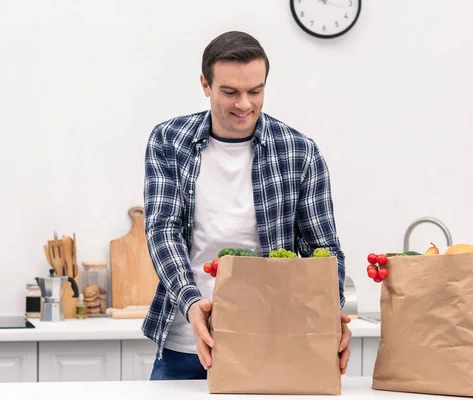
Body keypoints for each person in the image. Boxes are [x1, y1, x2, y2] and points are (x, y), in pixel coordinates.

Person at [142, 30, 351, 380]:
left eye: (255, 91)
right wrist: (192, 304)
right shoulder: (168, 141)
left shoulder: (299, 152)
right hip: (188, 342)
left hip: (274, 341)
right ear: (205, 85)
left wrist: (331, 312)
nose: (244, 104)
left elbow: (323, 249)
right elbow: (163, 230)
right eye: (230, 92)